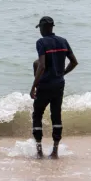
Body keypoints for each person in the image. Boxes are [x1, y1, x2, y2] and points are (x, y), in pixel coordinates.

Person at [30, 16, 78, 159]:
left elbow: (42, 65)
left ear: (43, 28)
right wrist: (62, 73)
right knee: (56, 116)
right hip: (59, 84)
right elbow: (74, 62)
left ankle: (39, 151)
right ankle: (55, 151)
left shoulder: (41, 42)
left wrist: (33, 86)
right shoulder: (63, 41)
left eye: (40, 28)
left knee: (37, 115)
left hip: (45, 85)